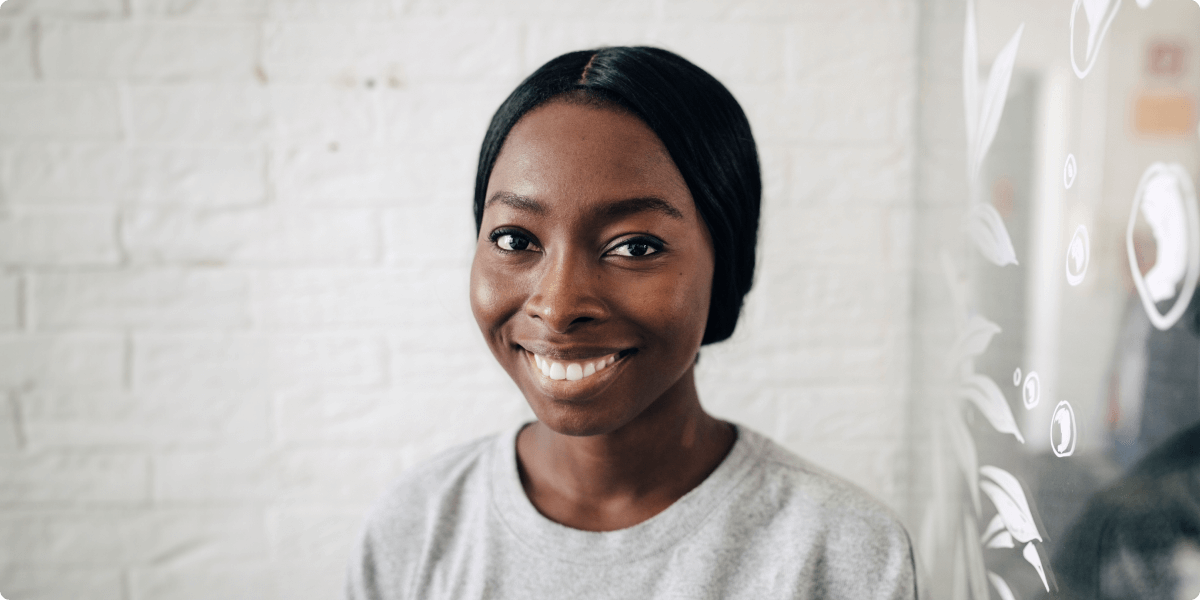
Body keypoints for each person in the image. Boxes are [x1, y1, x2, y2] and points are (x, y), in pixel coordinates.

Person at [345, 46, 917, 599]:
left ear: (727, 262)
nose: (559, 305)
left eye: (636, 247)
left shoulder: (840, 552)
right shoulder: (415, 528)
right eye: (514, 239)